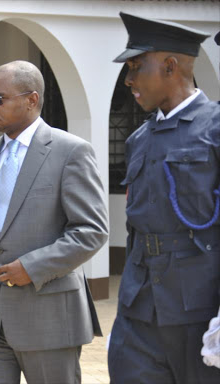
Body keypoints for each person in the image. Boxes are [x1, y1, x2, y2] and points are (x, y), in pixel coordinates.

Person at [0, 60, 108, 384]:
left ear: (31, 100)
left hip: (49, 320)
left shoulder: (71, 152)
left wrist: (33, 267)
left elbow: (91, 230)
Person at [108, 12, 220, 383]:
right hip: (139, 309)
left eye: (136, 67)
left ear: (171, 66)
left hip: (198, 309)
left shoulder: (215, 129)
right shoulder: (139, 139)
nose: (128, 80)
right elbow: (135, 227)